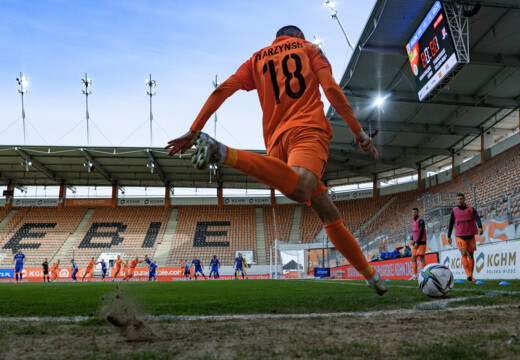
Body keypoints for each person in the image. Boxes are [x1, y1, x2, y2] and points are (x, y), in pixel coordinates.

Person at [165, 25, 386, 295]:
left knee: (327, 211)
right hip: (307, 131)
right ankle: (224, 153)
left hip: (275, 145)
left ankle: (371, 276)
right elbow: (330, 87)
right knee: (303, 187)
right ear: (300, 37)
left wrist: (194, 129)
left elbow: (222, 90)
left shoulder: (257, 58)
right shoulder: (309, 49)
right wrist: (357, 130)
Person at [447, 193, 483, 282]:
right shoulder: (454, 210)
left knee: (471, 255)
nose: (460, 200)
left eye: (461, 198)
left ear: (464, 199)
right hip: (460, 235)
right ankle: (468, 274)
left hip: (470, 234)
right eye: (458, 199)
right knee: (463, 253)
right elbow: (451, 223)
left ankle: (471, 275)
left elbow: (477, 218)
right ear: (456, 200)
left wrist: (480, 227)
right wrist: (449, 235)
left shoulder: (471, 209)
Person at [409, 207, 427, 280]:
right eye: (413, 212)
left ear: (418, 212)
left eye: (415, 212)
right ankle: (414, 276)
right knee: (413, 258)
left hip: (421, 242)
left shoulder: (421, 221)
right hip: (415, 243)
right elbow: (414, 232)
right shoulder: (413, 221)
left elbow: (421, 232)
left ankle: (423, 275)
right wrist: (411, 239)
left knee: (421, 258)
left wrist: (417, 241)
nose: (414, 214)